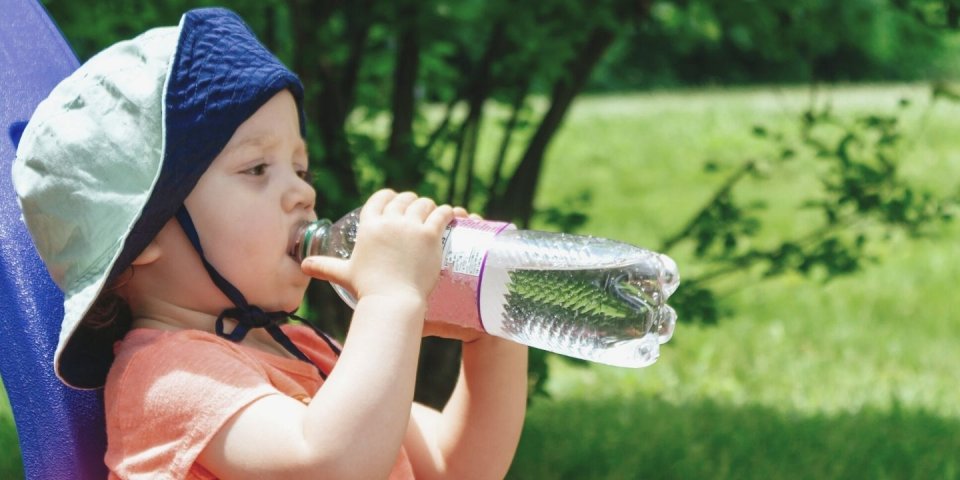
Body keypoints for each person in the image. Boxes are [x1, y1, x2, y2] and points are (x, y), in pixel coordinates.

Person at [13, 7, 527, 479]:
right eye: (257, 168)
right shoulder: (164, 376)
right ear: (143, 235)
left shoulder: (306, 350)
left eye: (300, 168)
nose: (303, 191)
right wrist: (392, 301)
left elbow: (453, 466)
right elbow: (329, 465)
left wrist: (492, 329)